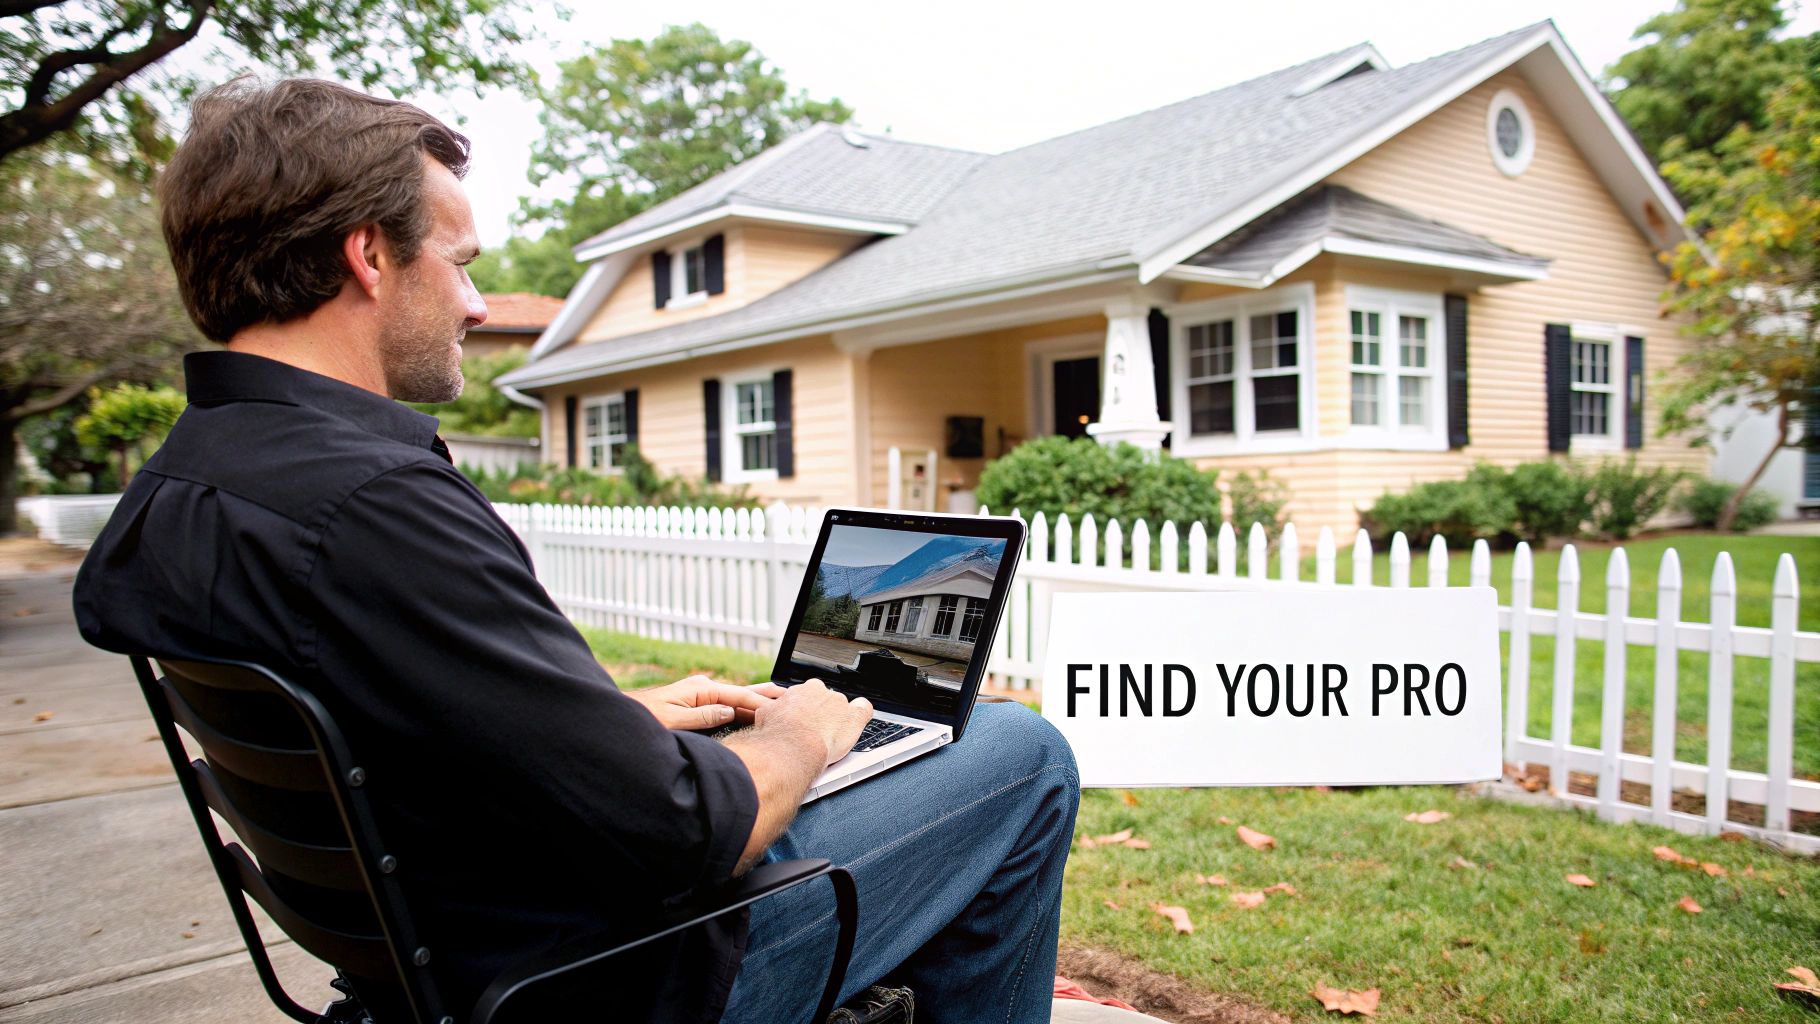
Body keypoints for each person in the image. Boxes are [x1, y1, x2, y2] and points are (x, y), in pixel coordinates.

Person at [72, 77, 1079, 1024]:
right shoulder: (372, 504)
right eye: (461, 265)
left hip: (433, 955)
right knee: (1018, 754)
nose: (475, 306)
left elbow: (387, 731)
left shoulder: (180, 488)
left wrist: (607, 725)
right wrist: (803, 734)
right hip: (603, 979)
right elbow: (690, 833)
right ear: (368, 255)